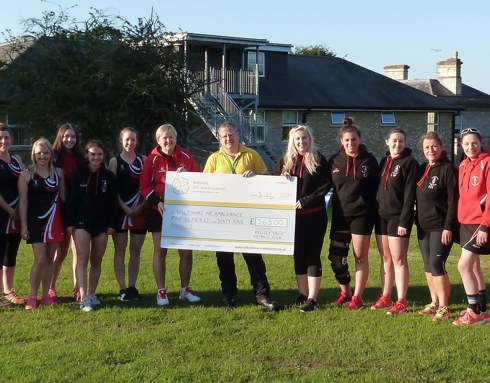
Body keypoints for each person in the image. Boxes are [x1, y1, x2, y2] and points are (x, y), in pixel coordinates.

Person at [203, 121, 279, 310]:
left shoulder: (251, 155)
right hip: (223, 219)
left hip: (247, 219)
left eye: (231, 134)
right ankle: (229, 295)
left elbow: (267, 180)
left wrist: (256, 178)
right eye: (224, 136)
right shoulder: (213, 159)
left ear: (238, 135)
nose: (228, 138)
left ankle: (262, 295)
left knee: (254, 258)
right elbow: (203, 186)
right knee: (224, 260)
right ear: (219, 139)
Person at [140, 123, 201, 306]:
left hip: (183, 211)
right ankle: (161, 291)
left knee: (186, 252)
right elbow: (144, 187)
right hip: (159, 210)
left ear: (176, 138)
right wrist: (157, 202)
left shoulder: (186, 156)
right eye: (164, 138)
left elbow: (199, 180)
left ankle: (185, 289)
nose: (168, 140)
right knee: (160, 251)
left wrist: (188, 175)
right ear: (158, 140)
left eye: (171, 137)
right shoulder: (151, 159)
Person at [276, 125, 330, 312]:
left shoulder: (318, 159)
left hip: (314, 216)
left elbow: (325, 186)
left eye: (304, 138)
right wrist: (281, 179)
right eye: (297, 139)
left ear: (310, 139)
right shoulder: (285, 160)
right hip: (294, 219)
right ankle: (302, 294)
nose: (301, 142)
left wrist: (306, 201)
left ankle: (313, 300)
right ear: (292, 141)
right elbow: (275, 184)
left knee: (312, 256)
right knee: (298, 256)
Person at [328, 119, 379, 310]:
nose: (351, 143)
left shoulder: (369, 160)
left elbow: (378, 189)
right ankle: (345, 291)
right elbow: (323, 184)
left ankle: (357, 297)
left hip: (362, 216)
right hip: (340, 215)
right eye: (347, 140)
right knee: (336, 256)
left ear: (360, 139)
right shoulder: (334, 160)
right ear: (342, 141)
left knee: (360, 257)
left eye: (354, 140)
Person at [66, 140, 117, 312]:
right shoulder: (78, 174)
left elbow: (112, 203)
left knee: (97, 260)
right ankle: (83, 297)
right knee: (82, 259)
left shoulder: (109, 176)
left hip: (102, 224)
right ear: (87, 155)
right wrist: (69, 223)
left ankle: (92, 294)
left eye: (99, 154)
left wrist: (112, 224)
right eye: (93, 154)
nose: (96, 157)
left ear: (103, 156)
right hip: (81, 223)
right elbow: (71, 201)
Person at [373, 128, 418, 315]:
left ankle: (401, 300)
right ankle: (386, 296)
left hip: (398, 218)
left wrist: (404, 221)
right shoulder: (384, 161)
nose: (397, 144)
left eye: (401, 141)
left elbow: (409, 196)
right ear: (387, 142)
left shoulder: (410, 163)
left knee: (399, 259)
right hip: (381, 216)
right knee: (385, 259)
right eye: (394, 141)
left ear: (405, 143)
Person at [18, 138, 65, 310]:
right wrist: (23, 226)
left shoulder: (58, 173)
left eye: (46, 153)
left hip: (55, 221)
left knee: (50, 260)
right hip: (35, 223)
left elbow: (64, 198)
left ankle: (46, 295)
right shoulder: (27, 174)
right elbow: (23, 202)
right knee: (39, 259)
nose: (42, 156)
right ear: (34, 155)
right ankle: (32, 295)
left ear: (51, 154)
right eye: (39, 153)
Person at [415, 132, 457, 321]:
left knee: (436, 264)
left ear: (441, 147)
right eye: (426, 147)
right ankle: (434, 302)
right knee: (427, 266)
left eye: (434, 146)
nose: (430, 150)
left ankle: (444, 307)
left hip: (441, 226)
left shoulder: (447, 169)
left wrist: (449, 226)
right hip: (423, 226)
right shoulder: (424, 168)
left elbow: (453, 201)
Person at [452, 128, 490, 326]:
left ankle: (473, 311)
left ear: (480, 142)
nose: (470, 147)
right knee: (473, 266)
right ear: (461, 145)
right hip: (465, 222)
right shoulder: (463, 165)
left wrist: (485, 226)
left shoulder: (488, 162)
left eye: (474, 143)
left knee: (463, 265)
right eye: (466, 144)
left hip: (480, 221)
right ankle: (483, 310)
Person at [108, 127, 146, 301]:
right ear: (121, 141)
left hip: (139, 212)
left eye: (133, 140)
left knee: (136, 251)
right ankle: (122, 288)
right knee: (120, 251)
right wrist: (125, 208)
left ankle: (132, 286)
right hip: (120, 212)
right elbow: (112, 190)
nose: (130, 143)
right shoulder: (114, 162)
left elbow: (148, 187)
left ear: (137, 141)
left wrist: (140, 207)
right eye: (127, 140)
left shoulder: (144, 160)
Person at [50, 122, 83, 301]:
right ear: (61, 137)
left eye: (73, 136)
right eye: (66, 136)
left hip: (77, 208)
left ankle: (78, 287)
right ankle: (51, 287)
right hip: (60, 209)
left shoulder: (80, 157)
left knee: (78, 250)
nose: (69, 139)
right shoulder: (53, 157)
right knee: (60, 252)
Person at [0, 122, 24, 306]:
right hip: (4, 213)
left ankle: (8, 291)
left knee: (11, 252)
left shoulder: (16, 159)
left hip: (16, 215)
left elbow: (24, 181)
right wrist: (9, 210)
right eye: (0, 137)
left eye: (7, 137)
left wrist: (21, 210)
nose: (4, 140)